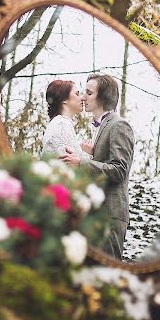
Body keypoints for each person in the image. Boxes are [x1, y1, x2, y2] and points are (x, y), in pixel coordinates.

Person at [62, 74, 135, 260]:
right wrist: (93, 153)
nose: (83, 97)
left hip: (110, 214)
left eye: (88, 92)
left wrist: (81, 163)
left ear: (103, 97)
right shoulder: (102, 126)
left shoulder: (119, 125)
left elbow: (119, 170)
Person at [41, 80, 85, 159]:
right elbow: (70, 163)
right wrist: (87, 153)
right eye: (77, 94)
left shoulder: (60, 122)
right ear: (64, 99)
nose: (82, 98)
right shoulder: (61, 124)